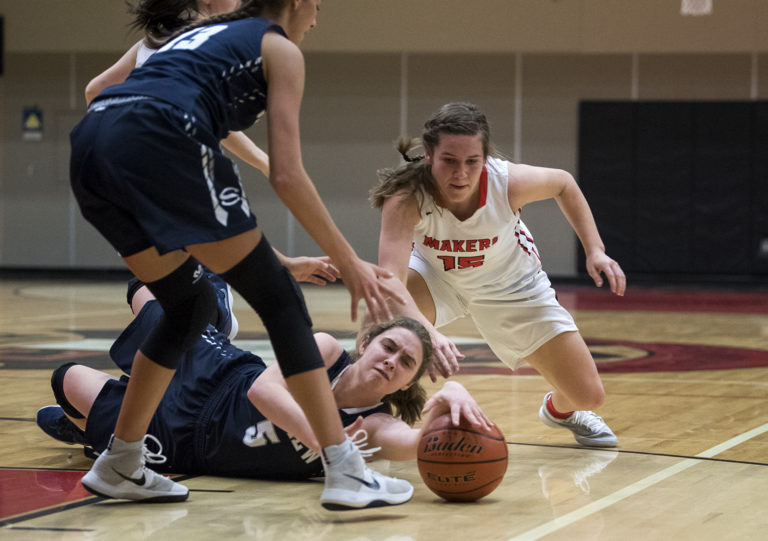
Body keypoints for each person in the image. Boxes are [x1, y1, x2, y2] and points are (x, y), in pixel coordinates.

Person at [69, 0, 409, 508]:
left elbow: (103, 92)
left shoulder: (201, 35)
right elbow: (287, 176)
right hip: (159, 138)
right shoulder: (279, 48)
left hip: (92, 145)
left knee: (189, 308)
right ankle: (345, 469)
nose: (317, 17)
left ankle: (121, 460)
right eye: (317, 4)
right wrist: (352, 263)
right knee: (283, 304)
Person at [37, 278, 491, 482]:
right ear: (367, 341)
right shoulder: (327, 350)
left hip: (188, 442)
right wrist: (322, 437)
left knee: (67, 381)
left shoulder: (373, 426)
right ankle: (213, 311)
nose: (392, 361)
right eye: (388, 347)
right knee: (147, 292)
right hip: (221, 377)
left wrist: (451, 394)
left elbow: (423, 445)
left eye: (406, 363)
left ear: (404, 385)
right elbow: (262, 390)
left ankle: (81, 426)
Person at [369, 102, 626, 448]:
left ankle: (560, 411)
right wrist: (425, 329)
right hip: (437, 278)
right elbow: (390, 282)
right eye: (449, 161)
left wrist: (595, 250)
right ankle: (365, 414)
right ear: (429, 155)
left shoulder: (508, 183)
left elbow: (564, 184)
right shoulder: (406, 197)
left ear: (485, 157)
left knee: (588, 396)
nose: (461, 173)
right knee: (383, 318)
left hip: (511, 286)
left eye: (472, 161)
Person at [87, 0, 339, 283]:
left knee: (183, 296)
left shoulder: (155, 39)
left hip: (132, 183)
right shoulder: (208, 41)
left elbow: (96, 90)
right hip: (168, 179)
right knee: (206, 300)